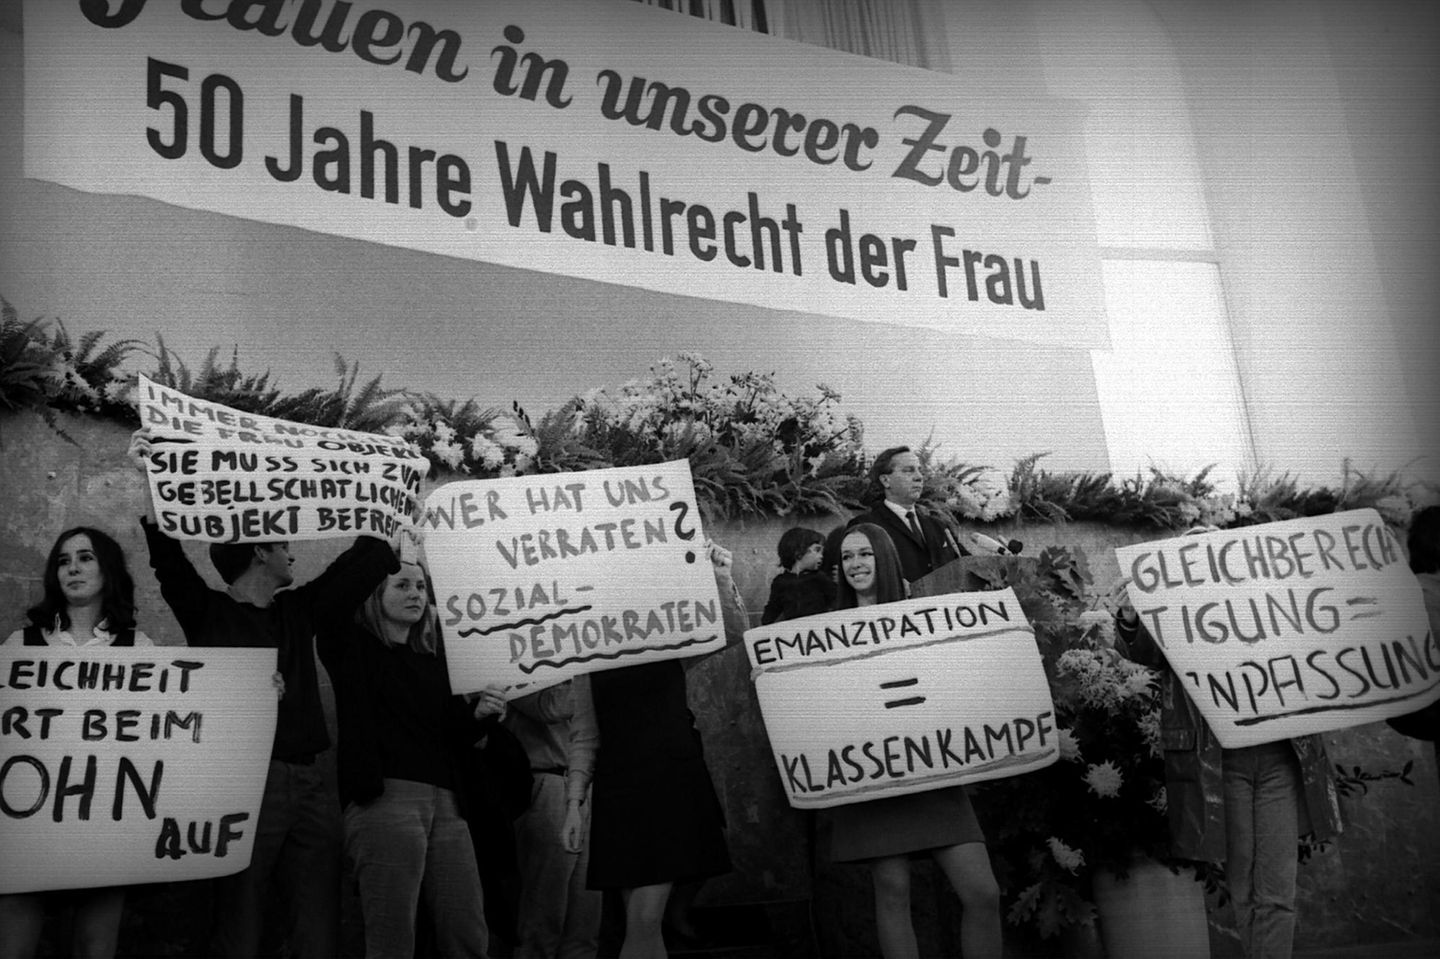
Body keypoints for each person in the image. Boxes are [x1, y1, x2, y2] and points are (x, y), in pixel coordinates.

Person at [130, 432, 400, 959]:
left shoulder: (299, 611)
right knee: (242, 921)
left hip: (310, 785)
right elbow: (167, 556)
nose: (291, 551)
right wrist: (150, 479)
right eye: (282, 543)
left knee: (318, 926)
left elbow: (351, 572)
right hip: (242, 784)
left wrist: (390, 503)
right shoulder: (208, 613)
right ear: (259, 551)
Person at [1114, 526, 1342, 959]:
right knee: (1245, 886)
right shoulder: (1178, 608)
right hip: (1222, 762)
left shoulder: (1272, 599)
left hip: (1281, 758)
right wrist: (1130, 617)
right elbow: (1144, 651)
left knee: (1277, 888)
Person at [827, 522, 1001, 959]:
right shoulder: (825, 632)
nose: (855, 564)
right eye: (847, 557)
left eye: (864, 554)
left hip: (932, 771)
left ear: (883, 557)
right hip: (875, 771)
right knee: (892, 892)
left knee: (982, 893)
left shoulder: (922, 617)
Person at [316, 555, 503, 958]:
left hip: (448, 804)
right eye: (402, 585)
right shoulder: (351, 647)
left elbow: (453, 731)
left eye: (420, 586)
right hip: (386, 801)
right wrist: (379, 542)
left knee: (467, 927)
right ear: (374, 594)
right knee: (392, 936)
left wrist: (481, 716)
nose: (416, 594)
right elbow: (331, 603)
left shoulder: (433, 659)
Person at [585, 541, 749, 959]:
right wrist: (574, 798)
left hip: (669, 783)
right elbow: (585, 732)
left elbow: (729, 634)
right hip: (619, 788)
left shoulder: (668, 632)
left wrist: (720, 575)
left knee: (643, 921)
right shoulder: (582, 651)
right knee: (642, 925)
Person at [0, 528, 153, 959]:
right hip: (27, 823)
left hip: (103, 824)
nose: (73, 568)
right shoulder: (20, 646)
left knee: (95, 947)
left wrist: (253, 690)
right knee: (13, 946)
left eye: (85, 558)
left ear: (108, 570)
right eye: (64, 561)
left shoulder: (139, 649)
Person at [506, 677, 602, 959]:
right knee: (543, 918)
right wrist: (602, 679)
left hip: (589, 783)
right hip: (549, 782)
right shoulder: (516, 650)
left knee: (585, 921)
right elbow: (550, 706)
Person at [848, 447, 965, 586]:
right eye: (908, 471)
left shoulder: (938, 526)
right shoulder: (865, 526)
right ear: (886, 480)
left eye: (919, 470)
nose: (919, 477)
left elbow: (966, 562)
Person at [761, 525, 834, 625]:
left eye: (822, 552)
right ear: (798, 551)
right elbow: (773, 608)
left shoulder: (820, 579)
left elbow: (837, 601)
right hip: (795, 634)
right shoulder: (780, 582)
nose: (821, 556)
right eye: (817, 550)